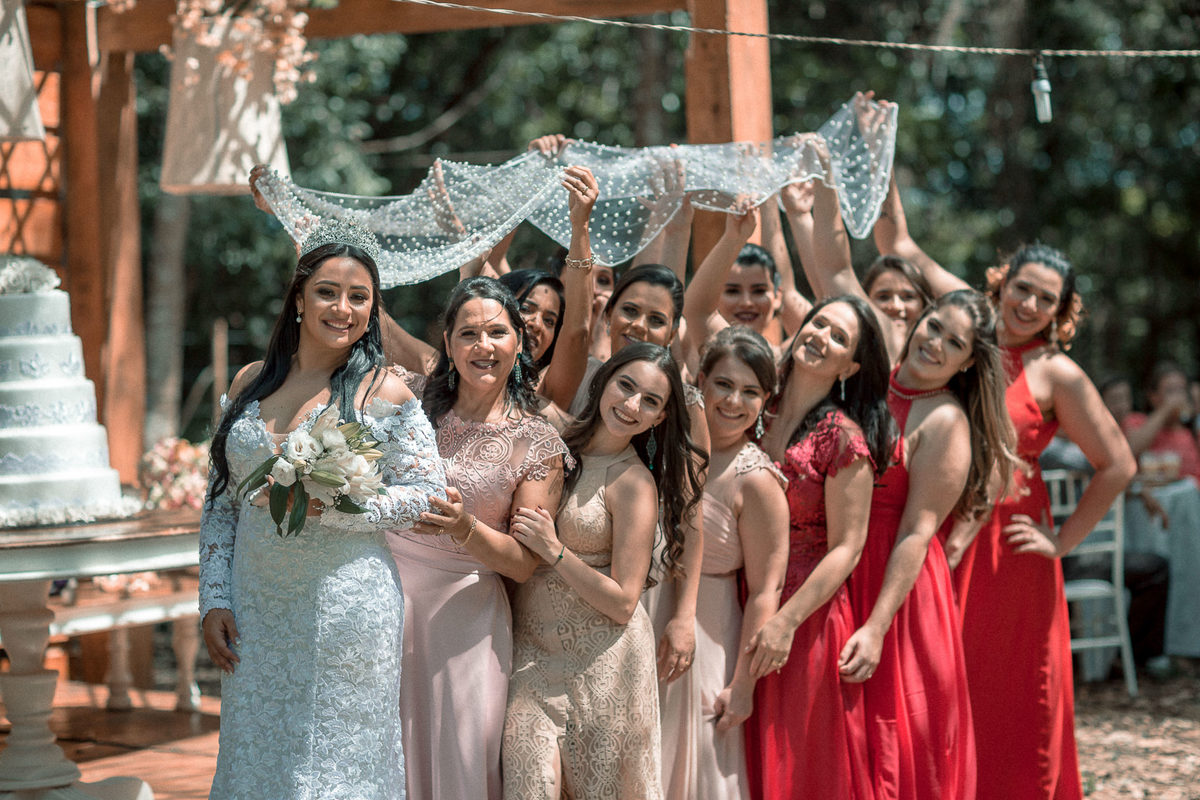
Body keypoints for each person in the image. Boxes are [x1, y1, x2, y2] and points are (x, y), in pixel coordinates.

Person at [199, 220, 446, 799]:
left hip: (347, 607)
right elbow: (220, 502)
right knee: (256, 751)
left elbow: (425, 495)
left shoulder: (385, 392)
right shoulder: (250, 383)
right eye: (328, 292)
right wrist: (214, 597)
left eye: (359, 297)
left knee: (337, 762)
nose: (343, 308)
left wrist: (336, 504)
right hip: (256, 605)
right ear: (299, 298)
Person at [925, 243, 1138, 800]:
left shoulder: (1056, 371)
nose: (1029, 303)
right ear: (1001, 283)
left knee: (1012, 694)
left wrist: (1063, 540)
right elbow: (901, 248)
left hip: (1010, 553)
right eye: (1023, 288)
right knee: (938, 686)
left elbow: (1118, 465)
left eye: (1047, 298)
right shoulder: (966, 338)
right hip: (935, 529)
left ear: (1060, 311)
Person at [385, 276, 572, 800]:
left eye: (496, 332)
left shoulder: (536, 442)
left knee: (460, 758)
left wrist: (465, 527)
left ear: (519, 341)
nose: (482, 346)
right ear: (447, 343)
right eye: (468, 333)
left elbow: (522, 564)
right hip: (384, 598)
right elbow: (358, 320)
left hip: (466, 620)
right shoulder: (411, 400)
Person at [840, 290, 1023, 800]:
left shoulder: (945, 422)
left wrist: (876, 627)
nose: (936, 343)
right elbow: (831, 269)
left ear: (967, 363)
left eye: (955, 342)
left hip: (896, 589)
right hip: (836, 566)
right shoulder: (867, 379)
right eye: (934, 326)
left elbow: (918, 532)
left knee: (894, 738)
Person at [503, 343, 706, 799]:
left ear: (660, 419)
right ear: (604, 382)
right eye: (626, 386)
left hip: (606, 665)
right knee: (529, 787)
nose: (632, 405)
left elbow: (622, 602)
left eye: (651, 401)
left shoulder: (634, 483)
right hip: (532, 658)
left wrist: (555, 552)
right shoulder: (551, 437)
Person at [746, 295, 894, 800]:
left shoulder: (844, 440)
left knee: (802, 758)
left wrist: (785, 624)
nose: (820, 336)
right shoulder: (752, 406)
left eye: (838, 337)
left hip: (805, 618)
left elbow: (848, 549)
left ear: (850, 366)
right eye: (818, 323)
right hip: (737, 594)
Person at [661, 327, 789, 800]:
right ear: (700, 380)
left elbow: (765, 590)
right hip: (644, 619)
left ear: (765, 401)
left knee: (697, 770)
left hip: (710, 636)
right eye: (724, 384)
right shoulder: (664, 445)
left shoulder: (757, 482)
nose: (735, 400)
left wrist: (743, 684)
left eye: (751, 391)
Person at [1122, 362, 1200, 482]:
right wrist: (1166, 409)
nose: (1178, 397)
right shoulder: (1136, 420)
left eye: (1181, 390)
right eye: (1170, 391)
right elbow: (1130, 450)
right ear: (1153, 396)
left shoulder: (1192, 431)